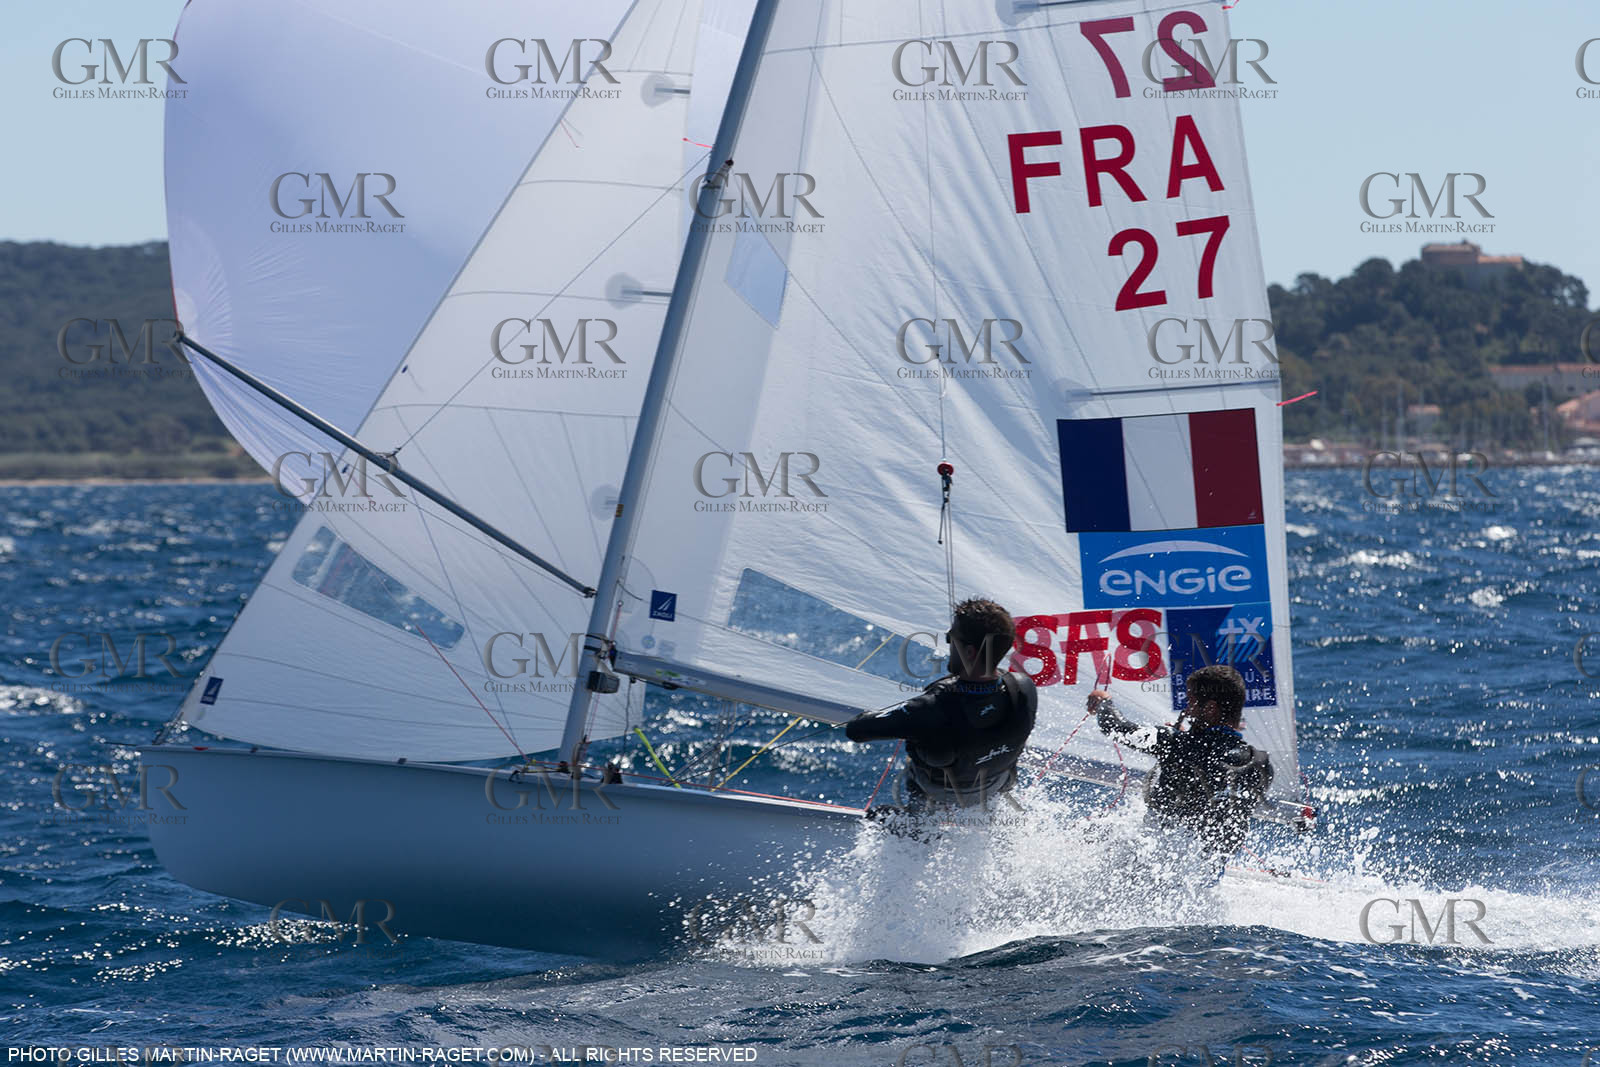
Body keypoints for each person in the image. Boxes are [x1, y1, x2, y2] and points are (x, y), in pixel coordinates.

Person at [846, 597, 1037, 809]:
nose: (948, 643)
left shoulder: (931, 708)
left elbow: (855, 730)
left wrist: (915, 710)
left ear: (969, 652)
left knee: (880, 811)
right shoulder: (1023, 688)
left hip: (941, 793)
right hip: (994, 785)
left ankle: (914, 821)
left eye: (950, 638)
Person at [1089, 664, 1273, 860]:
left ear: (1210, 708)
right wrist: (1187, 740)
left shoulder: (1174, 743)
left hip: (1150, 864)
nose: (1187, 710)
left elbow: (1115, 727)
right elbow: (1213, 771)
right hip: (1204, 873)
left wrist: (1103, 702)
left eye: (1191, 702)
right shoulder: (1259, 764)